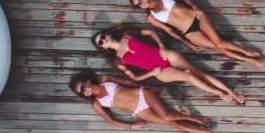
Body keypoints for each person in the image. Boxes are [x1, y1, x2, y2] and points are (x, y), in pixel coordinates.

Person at [91, 27, 245, 103]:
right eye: (101, 42)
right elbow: (134, 77)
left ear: (108, 34)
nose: (104, 40)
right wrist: (151, 73)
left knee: (199, 73)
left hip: (165, 55)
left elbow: (150, 32)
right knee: (189, 76)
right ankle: (219, 93)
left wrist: (162, 46)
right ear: (103, 47)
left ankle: (229, 90)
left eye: (103, 36)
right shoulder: (118, 60)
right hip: (159, 71)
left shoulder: (126, 34)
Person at [129, 0, 265, 70]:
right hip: (189, 32)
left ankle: (247, 51)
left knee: (218, 42)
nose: (142, 2)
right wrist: (187, 43)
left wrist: (195, 7)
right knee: (219, 48)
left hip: (197, 18)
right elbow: (170, 31)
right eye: (139, 4)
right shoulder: (152, 18)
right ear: (140, 7)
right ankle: (251, 60)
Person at [69, 69, 220, 133]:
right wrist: (131, 125)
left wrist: (148, 87)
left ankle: (196, 119)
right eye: (81, 92)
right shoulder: (97, 103)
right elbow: (111, 120)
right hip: (139, 110)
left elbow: (127, 82)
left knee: (167, 117)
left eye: (83, 87)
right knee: (173, 124)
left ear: (87, 81)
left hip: (142, 94)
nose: (85, 91)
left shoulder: (105, 79)